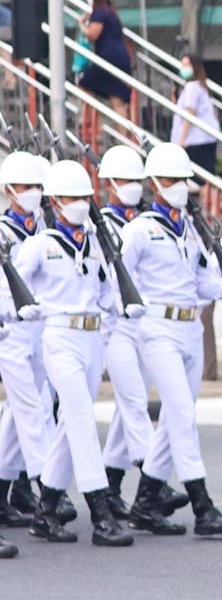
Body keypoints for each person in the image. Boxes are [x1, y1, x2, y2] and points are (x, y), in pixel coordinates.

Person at [13, 160, 135, 547]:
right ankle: (100, 514)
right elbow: (10, 283)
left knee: (69, 425)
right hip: (59, 337)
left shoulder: (96, 241)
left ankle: (45, 512)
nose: (80, 204)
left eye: (85, 197)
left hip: (91, 338)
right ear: (54, 201)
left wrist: (118, 308)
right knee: (81, 418)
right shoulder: (39, 245)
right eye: (71, 197)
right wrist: (18, 311)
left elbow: (104, 290)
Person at [120, 142, 222, 537]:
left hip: (191, 328)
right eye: (170, 180)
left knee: (173, 418)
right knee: (183, 414)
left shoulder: (188, 227)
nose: (178, 187)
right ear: (153, 184)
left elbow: (200, 279)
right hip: (158, 329)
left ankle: (143, 506)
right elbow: (122, 279)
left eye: (182, 180)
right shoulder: (138, 230)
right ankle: (203, 507)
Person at [95, 143, 152, 525]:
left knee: (127, 410)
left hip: (142, 324)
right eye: (126, 180)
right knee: (134, 403)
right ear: (109, 184)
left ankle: (111, 489)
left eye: (137, 180)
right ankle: (155, 482)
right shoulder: (100, 223)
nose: (133, 186)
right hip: (112, 326)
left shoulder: (145, 221)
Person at [0, 152, 54, 549]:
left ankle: (3, 491)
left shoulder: (44, 228)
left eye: (38, 187)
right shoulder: (3, 231)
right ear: (9, 192)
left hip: (40, 331)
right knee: (32, 410)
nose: (33, 194)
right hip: (10, 334)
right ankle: (49, 492)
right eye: (26, 188)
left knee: (16, 417)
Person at [78, 0, 134, 102]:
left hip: (109, 58)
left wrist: (81, 25)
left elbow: (92, 34)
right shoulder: (112, 12)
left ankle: (90, 117)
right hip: (120, 58)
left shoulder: (99, 13)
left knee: (84, 82)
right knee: (117, 98)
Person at [171, 53, 221, 180]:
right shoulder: (201, 86)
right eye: (182, 65)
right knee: (205, 179)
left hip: (194, 141)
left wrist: (181, 140)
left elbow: (190, 113)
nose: (184, 68)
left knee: (197, 180)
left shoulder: (192, 87)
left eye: (187, 65)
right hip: (205, 139)